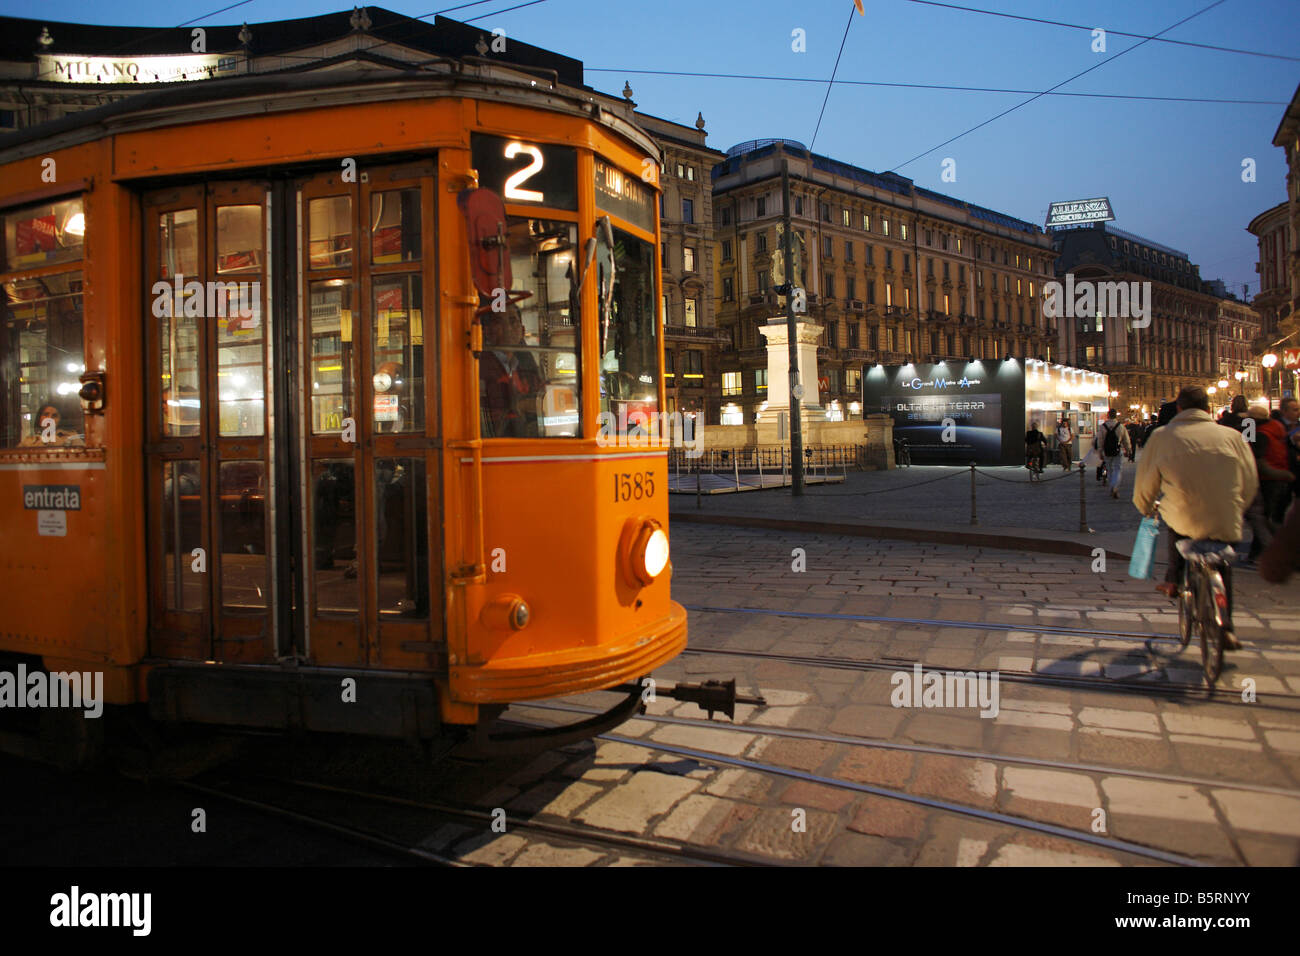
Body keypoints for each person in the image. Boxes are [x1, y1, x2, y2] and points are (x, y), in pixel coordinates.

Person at [1133, 386, 1258, 651]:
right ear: (1207, 408)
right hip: (1225, 517)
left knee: (1177, 524)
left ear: (1179, 408)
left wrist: (1146, 507)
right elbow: (1250, 480)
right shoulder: (1233, 436)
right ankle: (1227, 627)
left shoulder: (1162, 437)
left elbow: (1146, 482)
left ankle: (1174, 581)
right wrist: (1238, 507)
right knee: (1222, 566)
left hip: (1185, 516)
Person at [479, 304, 543, 438]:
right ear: (487, 331)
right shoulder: (478, 366)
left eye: (513, 321)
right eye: (498, 322)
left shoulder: (527, 368)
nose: (507, 328)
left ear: (523, 331)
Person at [1249, 404, 1294, 530]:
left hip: (1268, 477)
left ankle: (1272, 544)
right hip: (1281, 473)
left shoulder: (1261, 434)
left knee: (1264, 516)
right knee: (1274, 514)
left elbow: (1254, 454)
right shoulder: (1276, 426)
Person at [1094, 408, 1132, 499]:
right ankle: (1115, 486)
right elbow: (1126, 440)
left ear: (1108, 415)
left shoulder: (1103, 426)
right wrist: (1128, 450)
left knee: (1109, 469)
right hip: (1117, 450)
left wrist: (1100, 451)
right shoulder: (1120, 426)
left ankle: (1111, 486)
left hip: (1106, 451)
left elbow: (1100, 440)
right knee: (1117, 469)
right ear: (1116, 416)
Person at [18, 402, 83, 447]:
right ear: (39, 419)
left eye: (54, 416)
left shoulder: (72, 438)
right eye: (46, 414)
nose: (49, 418)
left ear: (60, 420)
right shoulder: (29, 441)